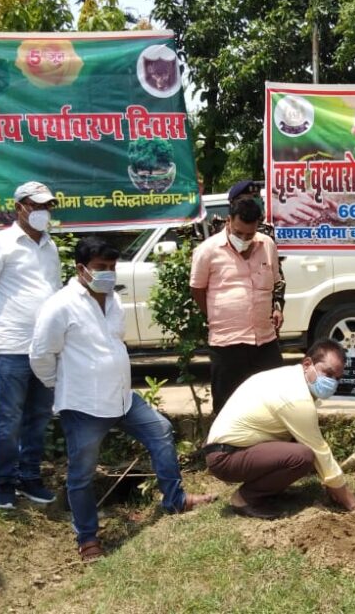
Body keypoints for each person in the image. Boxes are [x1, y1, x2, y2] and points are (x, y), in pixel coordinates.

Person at [30, 236, 216, 561]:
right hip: (83, 405)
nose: (109, 274)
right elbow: (41, 355)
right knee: (82, 472)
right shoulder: (59, 305)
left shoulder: (112, 300)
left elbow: (115, 341)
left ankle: (175, 499)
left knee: (159, 431)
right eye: (101, 268)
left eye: (112, 268)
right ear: (81, 269)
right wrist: (61, 385)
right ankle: (88, 539)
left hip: (122, 398)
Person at [203, 339, 355, 519]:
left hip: (232, 448)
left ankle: (269, 492)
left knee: (299, 445)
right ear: (307, 364)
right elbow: (321, 452)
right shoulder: (296, 397)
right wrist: (353, 505)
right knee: (302, 456)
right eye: (328, 373)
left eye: (337, 378)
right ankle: (244, 498)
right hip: (225, 457)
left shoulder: (290, 377)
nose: (332, 382)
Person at [0, 181, 61, 509]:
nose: (42, 212)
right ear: (19, 207)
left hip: (45, 347)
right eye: (36, 205)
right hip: (11, 346)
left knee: (38, 416)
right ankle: (4, 484)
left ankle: (30, 478)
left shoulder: (50, 246)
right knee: (7, 420)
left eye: (47, 206)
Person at [190, 180, 285, 414]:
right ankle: (223, 451)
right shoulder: (207, 251)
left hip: (264, 341)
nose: (244, 238)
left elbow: (276, 283)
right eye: (239, 232)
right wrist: (218, 315)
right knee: (227, 409)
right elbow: (197, 289)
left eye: (250, 234)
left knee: (274, 403)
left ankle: (268, 450)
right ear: (229, 220)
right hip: (227, 344)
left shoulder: (268, 245)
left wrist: (277, 308)